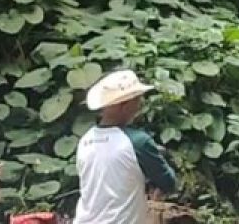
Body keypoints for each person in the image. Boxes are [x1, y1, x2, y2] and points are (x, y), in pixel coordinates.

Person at [75, 69, 178, 224]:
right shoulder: (138, 142)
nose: (139, 105)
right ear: (125, 105)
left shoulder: (85, 140)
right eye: (137, 100)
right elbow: (168, 182)